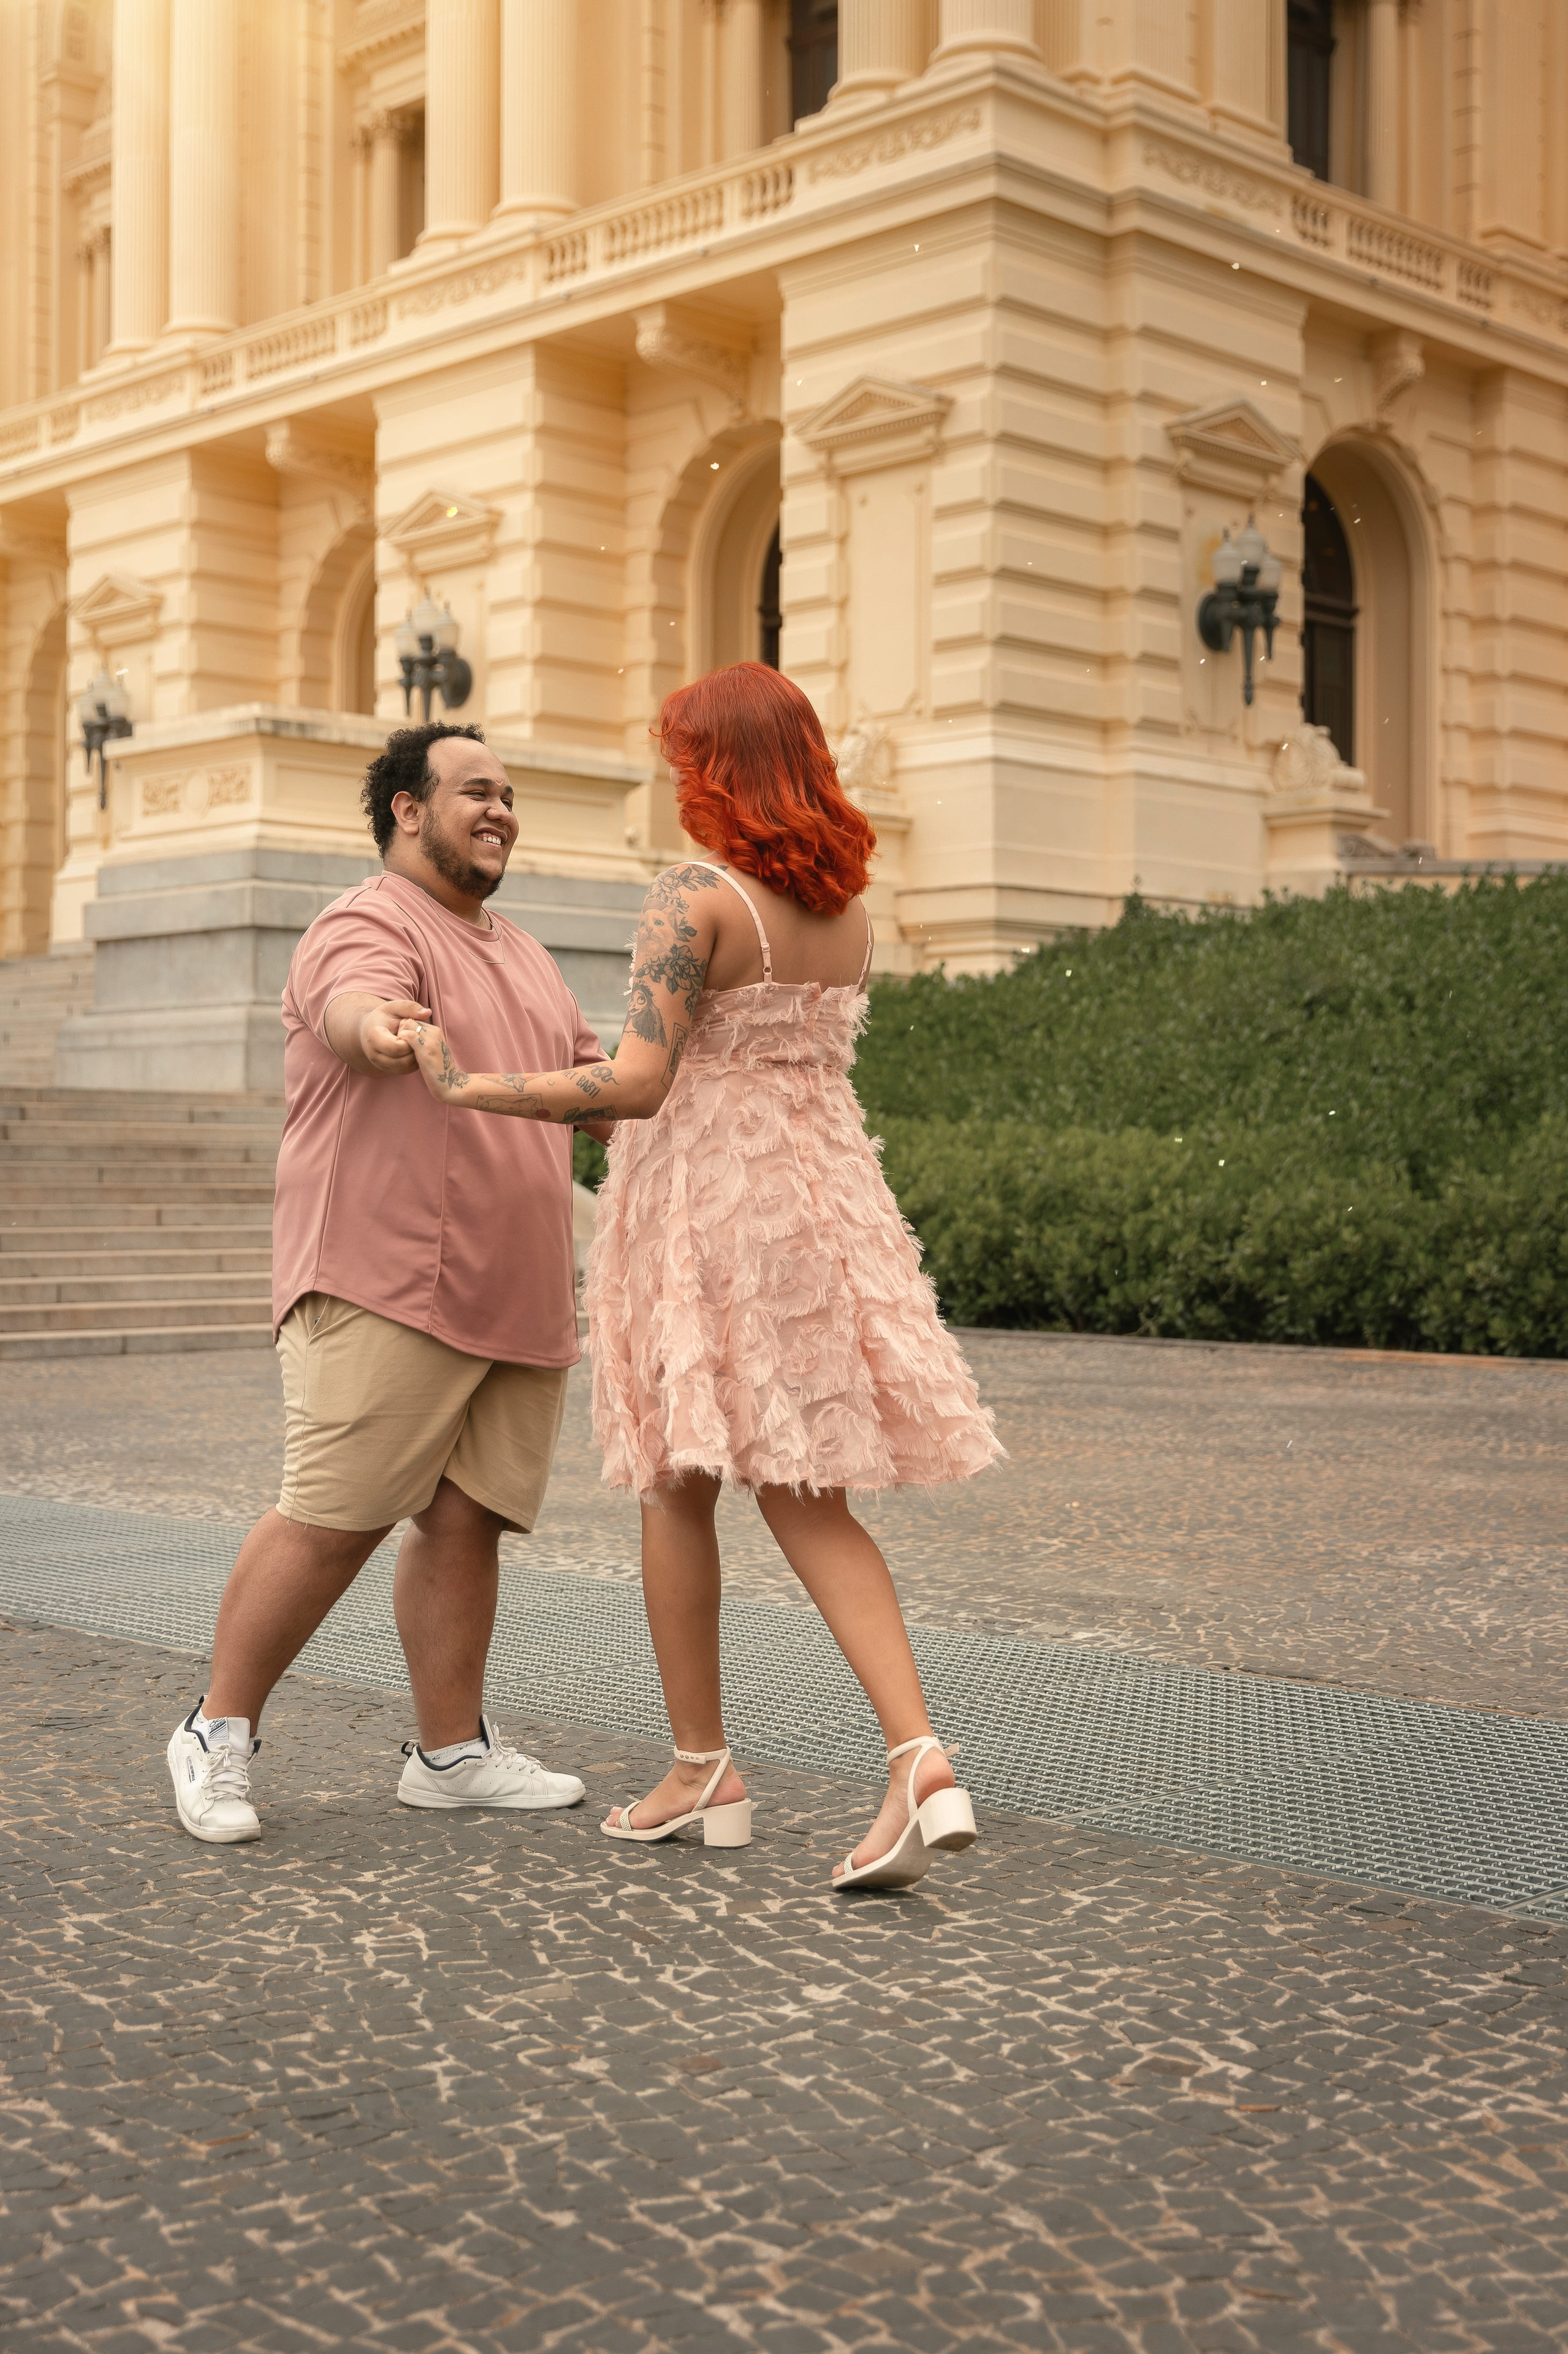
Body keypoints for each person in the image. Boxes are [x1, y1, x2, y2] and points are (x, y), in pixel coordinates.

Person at [401, 665, 1002, 1891]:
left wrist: (470, 1087)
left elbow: (636, 1083)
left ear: (717, 769)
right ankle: (897, 1756)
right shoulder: (847, 911)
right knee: (809, 1494)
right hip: (819, 1206)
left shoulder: (694, 897)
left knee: (676, 1483)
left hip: (703, 1209)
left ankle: (717, 1766)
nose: (675, 780)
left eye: (685, 759)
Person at [166, 722, 603, 1846]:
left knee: (466, 1523)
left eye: (509, 795)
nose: (500, 811)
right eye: (475, 791)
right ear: (408, 810)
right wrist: (384, 1027)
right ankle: (214, 1730)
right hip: (387, 1277)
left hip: (517, 1294)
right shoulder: (367, 920)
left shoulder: (526, 952)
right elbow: (354, 1011)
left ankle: (451, 1756)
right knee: (334, 1516)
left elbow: (589, 1076)